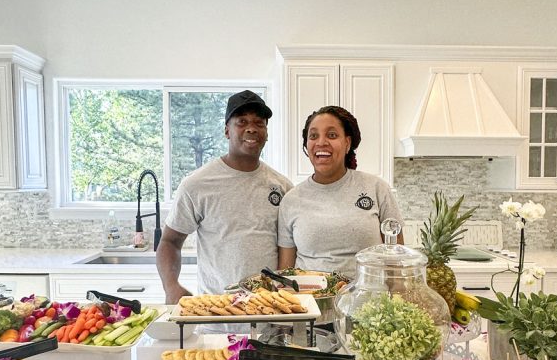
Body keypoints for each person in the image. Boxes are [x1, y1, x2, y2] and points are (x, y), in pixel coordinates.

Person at [157, 91, 292, 303]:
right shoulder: (197, 185)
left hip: (269, 315)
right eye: (242, 122)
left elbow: (289, 248)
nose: (251, 128)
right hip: (216, 316)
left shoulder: (282, 187)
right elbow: (170, 242)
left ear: (266, 133)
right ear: (227, 130)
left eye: (259, 123)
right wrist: (171, 286)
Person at [277, 105, 403, 279]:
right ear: (307, 145)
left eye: (332, 135)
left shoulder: (376, 188)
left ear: (347, 143)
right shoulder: (291, 200)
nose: (321, 142)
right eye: (313, 136)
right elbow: (285, 272)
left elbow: (396, 257)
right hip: (310, 302)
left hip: (368, 301)